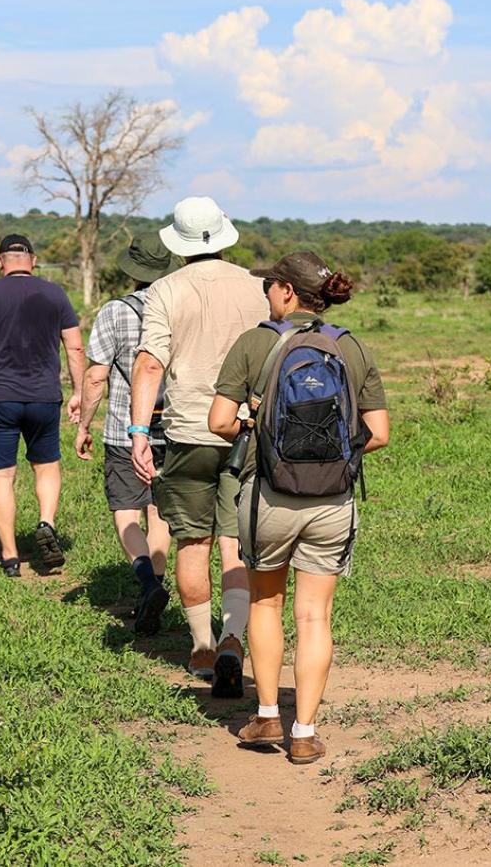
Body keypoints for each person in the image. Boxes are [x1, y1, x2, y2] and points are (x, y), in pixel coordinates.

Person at [207, 251, 390, 765]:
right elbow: (380, 434)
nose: (265, 293)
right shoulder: (350, 347)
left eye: (270, 286)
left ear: (288, 292)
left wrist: (258, 430)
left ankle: (266, 714)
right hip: (332, 501)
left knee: (266, 604)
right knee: (315, 616)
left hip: (269, 498)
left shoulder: (257, 342)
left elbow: (218, 422)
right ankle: (304, 731)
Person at [129, 196, 268, 698]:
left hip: (187, 429)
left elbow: (149, 364)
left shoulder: (165, 290)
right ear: (224, 236)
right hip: (245, 430)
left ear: (179, 244)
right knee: (236, 540)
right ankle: (234, 637)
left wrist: (140, 432)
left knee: (192, 540)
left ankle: (202, 646)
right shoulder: (258, 288)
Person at [0, 234, 85, 577]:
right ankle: (46, 522)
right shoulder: (55, 293)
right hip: (45, 396)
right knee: (46, 467)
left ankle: (11, 555)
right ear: (32, 259)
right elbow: (74, 347)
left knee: (2, 475)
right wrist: (78, 392)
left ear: (0, 262)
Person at [75, 231, 174, 635]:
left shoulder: (114, 311)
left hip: (122, 428)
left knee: (126, 509)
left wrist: (83, 423)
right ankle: (160, 584)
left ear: (131, 271)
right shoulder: (177, 308)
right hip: (173, 427)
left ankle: (148, 583)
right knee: (160, 510)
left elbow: (96, 377)